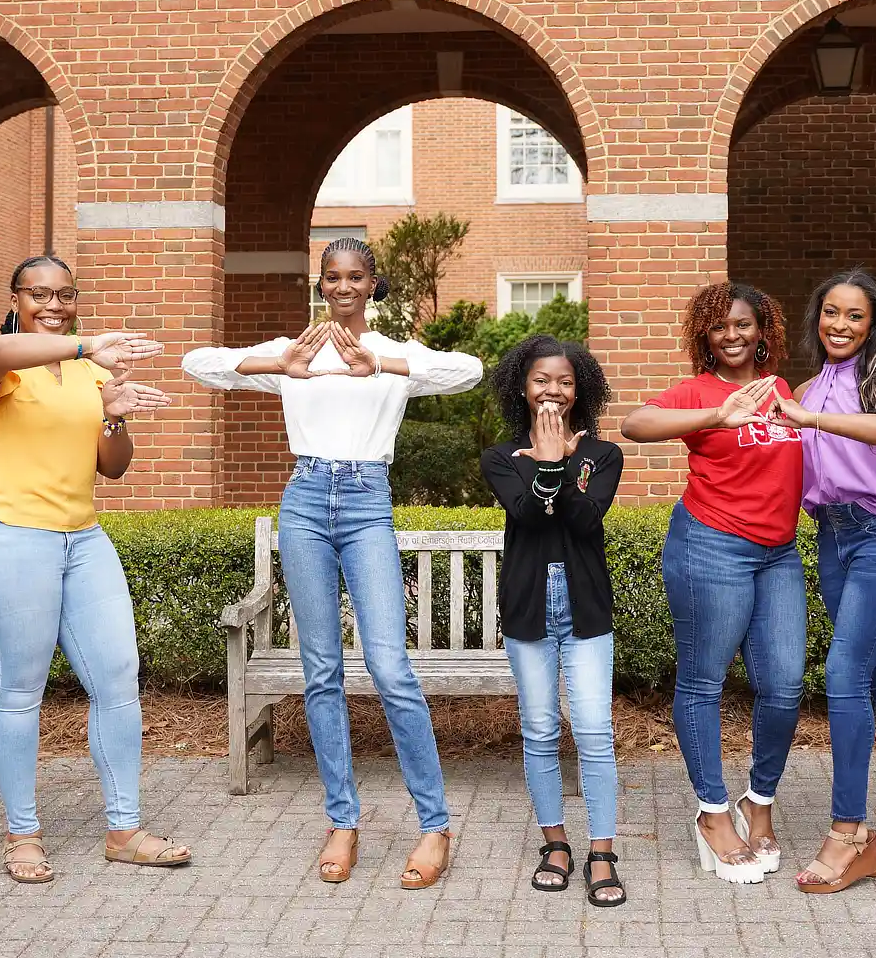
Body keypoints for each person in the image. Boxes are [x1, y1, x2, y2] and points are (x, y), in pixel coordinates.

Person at [183, 238, 482, 890]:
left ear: (374, 285)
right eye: (332, 278)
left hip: (369, 503)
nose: (343, 287)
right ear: (321, 286)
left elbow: (470, 370)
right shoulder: (299, 353)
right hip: (306, 502)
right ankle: (342, 822)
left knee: (390, 667)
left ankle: (435, 826)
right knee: (320, 671)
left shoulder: (392, 352)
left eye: (355, 277)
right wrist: (279, 363)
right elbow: (198, 363)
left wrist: (384, 365)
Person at [0, 254, 190, 884]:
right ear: (16, 299)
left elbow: (112, 466)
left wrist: (112, 411)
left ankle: (124, 829)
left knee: (118, 677)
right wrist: (86, 344)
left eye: (65, 295)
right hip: (4, 533)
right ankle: (22, 834)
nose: (53, 305)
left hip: (81, 538)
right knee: (21, 687)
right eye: (39, 295)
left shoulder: (88, 371)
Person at [620, 282, 804, 885]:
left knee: (783, 683)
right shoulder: (698, 390)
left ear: (762, 331)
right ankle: (713, 813)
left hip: (778, 553)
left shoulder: (779, 390)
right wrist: (715, 415)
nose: (732, 335)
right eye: (720, 326)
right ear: (706, 333)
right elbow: (636, 423)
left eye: (744, 325)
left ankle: (760, 800)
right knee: (704, 681)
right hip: (711, 545)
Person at [770, 270, 876, 893]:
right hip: (834, 539)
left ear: (874, 325)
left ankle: (847, 831)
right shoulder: (807, 389)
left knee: (844, 674)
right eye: (830, 313)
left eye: (855, 316)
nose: (839, 325)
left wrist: (809, 419)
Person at [481, 335, 627, 908]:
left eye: (565, 381)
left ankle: (603, 851)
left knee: (593, 730)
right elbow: (528, 515)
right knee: (540, 730)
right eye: (542, 379)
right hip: (529, 605)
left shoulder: (602, 456)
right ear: (523, 386)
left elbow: (585, 520)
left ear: (580, 388)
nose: (553, 390)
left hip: (586, 606)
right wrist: (544, 465)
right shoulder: (500, 457)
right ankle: (555, 844)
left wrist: (560, 464)